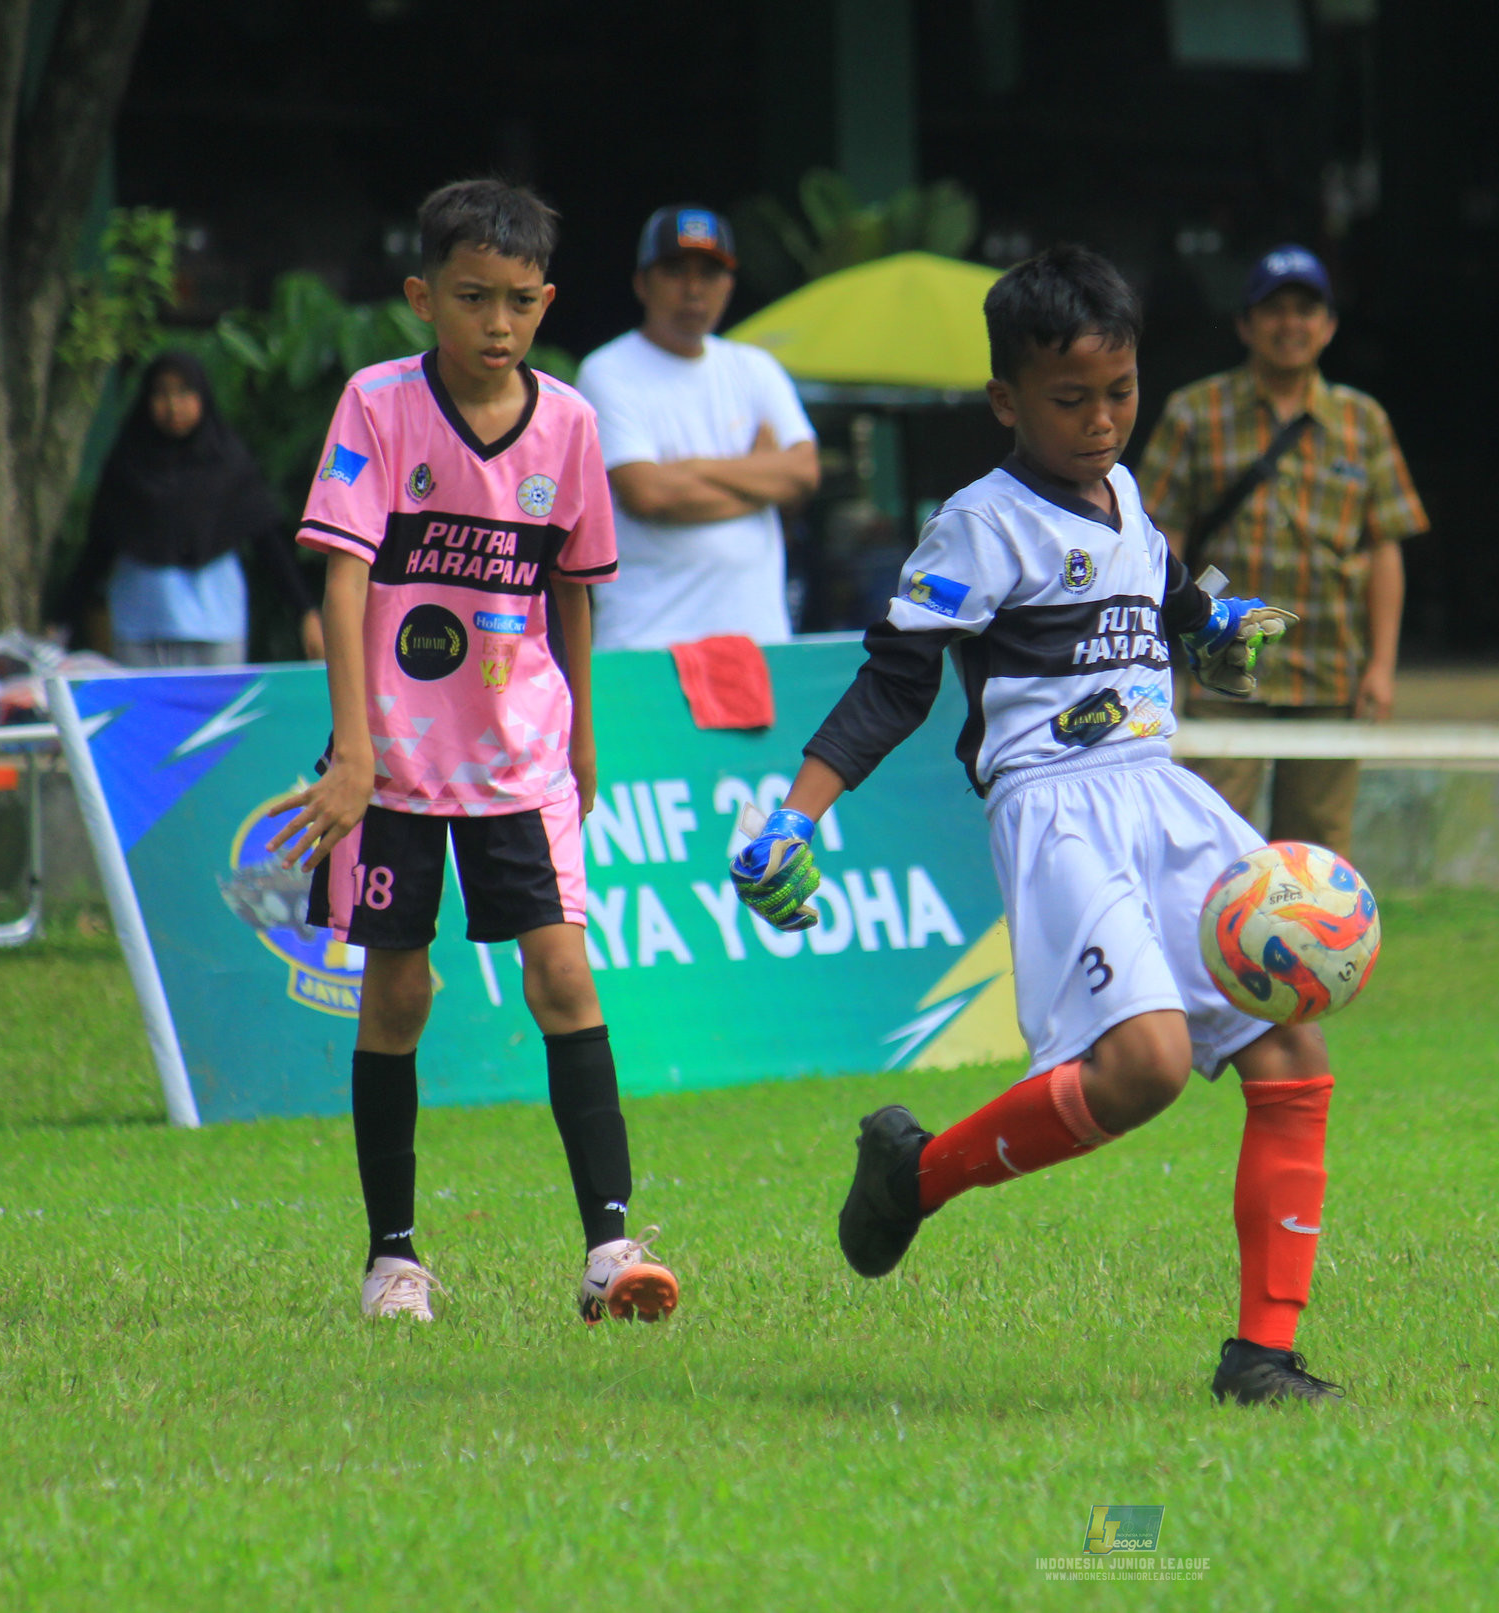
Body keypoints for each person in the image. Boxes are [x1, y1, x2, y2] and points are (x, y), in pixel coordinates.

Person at [729, 246, 1344, 1406]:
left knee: (1291, 1045)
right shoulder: (979, 523)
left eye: (1121, 393)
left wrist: (1217, 630)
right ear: (1006, 400)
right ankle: (918, 1176)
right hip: (1056, 810)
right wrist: (794, 816)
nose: (1102, 420)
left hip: (1164, 795)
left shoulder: (1128, 502)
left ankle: (1261, 1354)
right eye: (1071, 400)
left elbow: (1167, 598)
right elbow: (896, 682)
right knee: (1146, 1067)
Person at [265, 179, 677, 1328]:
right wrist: (351, 751)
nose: (497, 323)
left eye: (518, 301)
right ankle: (392, 1259)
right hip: (391, 762)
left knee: (566, 978)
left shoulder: (572, 425)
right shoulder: (378, 405)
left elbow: (572, 591)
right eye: (471, 298)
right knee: (397, 995)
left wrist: (583, 731)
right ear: (422, 298)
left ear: (545, 303)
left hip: (521, 761)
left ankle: (611, 1249)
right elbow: (345, 579)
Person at [1137, 244, 1427, 856]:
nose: (1289, 324)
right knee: (1208, 842)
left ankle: (1311, 956)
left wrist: (1381, 665)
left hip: (1329, 671)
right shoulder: (1195, 412)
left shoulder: (1363, 421)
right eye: (1273, 310)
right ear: (1244, 324)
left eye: (1305, 309)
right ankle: (1195, 956)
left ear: (1328, 326)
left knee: (1318, 854)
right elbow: (1158, 544)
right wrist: (1155, 656)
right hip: (1221, 667)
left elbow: (1384, 550)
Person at [575, 206, 820, 648]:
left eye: (709, 273)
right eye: (674, 271)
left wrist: (691, 468)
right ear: (641, 283)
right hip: (649, 642)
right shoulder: (607, 371)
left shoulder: (755, 367)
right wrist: (759, 479)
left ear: (729, 283)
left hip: (759, 641)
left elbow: (803, 474)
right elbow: (649, 494)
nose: (693, 289)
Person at [56, 350, 324, 666]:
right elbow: (99, 548)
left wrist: (306, 611)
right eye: (161, 393)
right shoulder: (127, 466)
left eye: (184, 392)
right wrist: (60, 622)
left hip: (215, 628)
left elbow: (269, 543)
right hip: (142, 628)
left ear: (203, 397)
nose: (173, 406)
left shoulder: (228, 463)